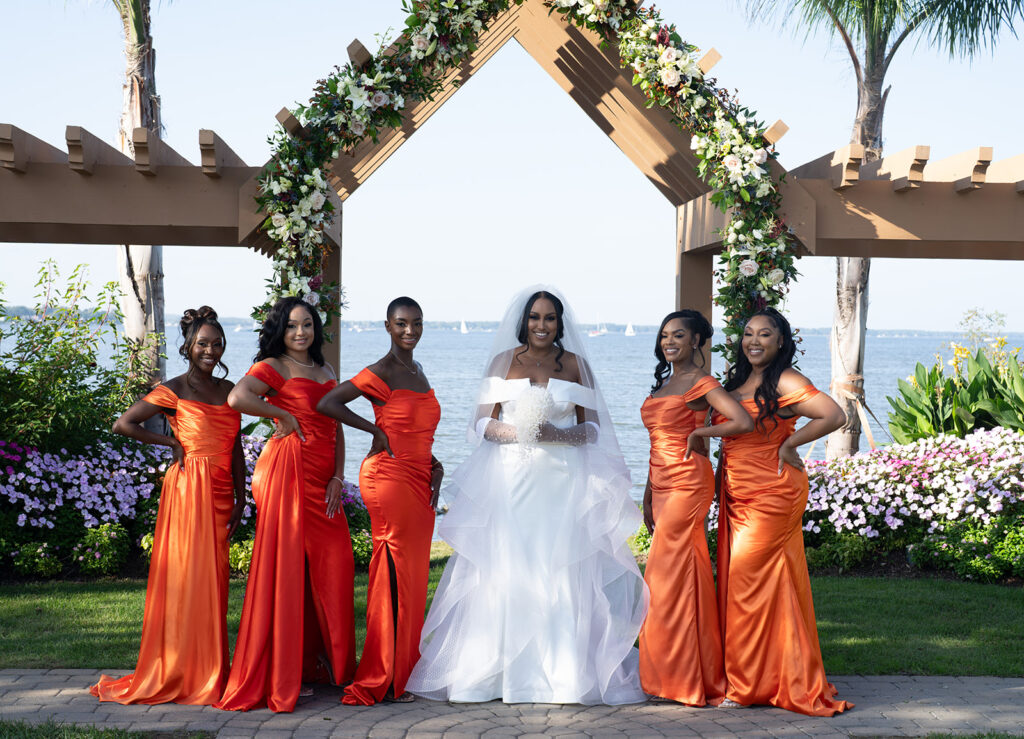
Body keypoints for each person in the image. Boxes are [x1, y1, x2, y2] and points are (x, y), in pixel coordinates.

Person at [406, 286, 648, 705]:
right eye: (535, 317)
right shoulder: (504, 361)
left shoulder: (576, 365)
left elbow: (593, 429)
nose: (542, 325)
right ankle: (492, 675)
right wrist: (520, 433)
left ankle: (564, 674)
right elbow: (481, 425)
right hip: (512, 481)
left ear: (559, 323)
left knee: (560, 567)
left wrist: (556, 435)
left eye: (549, 318)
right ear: (524, 321)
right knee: (508, 564)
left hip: (562, 483)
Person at [91, 307, 245, 705]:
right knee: (186, 577)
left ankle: (209, 668)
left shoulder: (230, 391)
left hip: (221, 492)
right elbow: (123, 424)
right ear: (188, 346)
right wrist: (171, 442)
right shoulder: (173, 389)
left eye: (217, 344)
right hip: (189, 489)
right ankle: (179, 669)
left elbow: (236, 447)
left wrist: (242, 496)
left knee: (214, 581)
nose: (210, 350)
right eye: (203, 344)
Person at [215, 296, 356, 713]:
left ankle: (327, 664)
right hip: (287, 472)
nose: (300, 332)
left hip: (323, 479)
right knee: (287, 570)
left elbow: (337, 426)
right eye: (292, 325)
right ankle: (281, 669)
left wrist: (338, 475)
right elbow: (238, 398)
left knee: (336, 564)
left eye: (307, 324)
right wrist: (284, 416)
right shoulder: (273, 366)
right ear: (281, 329)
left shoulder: (326, 370)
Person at [715, 308, 851, 715]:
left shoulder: (786, 380)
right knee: (762, 584)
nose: (754, 341)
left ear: (780, 342)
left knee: (745, 581)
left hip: (773, 493)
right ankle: (775, 676)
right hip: (737, 493)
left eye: (764, 334)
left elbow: (834, 414)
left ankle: (746, 685)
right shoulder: (736, 381)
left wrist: (790, 444)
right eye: (748, 333)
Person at [316, 296, 442, 706]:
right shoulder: (382, 370)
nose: (410, 330)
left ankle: (402, 670)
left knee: (412, 578)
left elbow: (417, 429)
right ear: (387, 326)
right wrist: (374, 430)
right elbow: (328, 402)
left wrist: (435, 463)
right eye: (402, 323)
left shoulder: (418, 371)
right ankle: (382, 675)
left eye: (416, 323)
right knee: (393, 574)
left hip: (419, 479)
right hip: (388, 479)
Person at [639, 310, 753, 706]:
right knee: (681, 572)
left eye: (678, 335)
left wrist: (701, 430)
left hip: (688, 482)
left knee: (666, 575)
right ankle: (681, 672)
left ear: (696, 341)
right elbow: (656, 443)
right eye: (664, 336)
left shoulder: (703, 383)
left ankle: (683, 676)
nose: (669, 342)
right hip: (661, 483)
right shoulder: (664, 384)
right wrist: (648, 493)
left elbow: (742, 421)